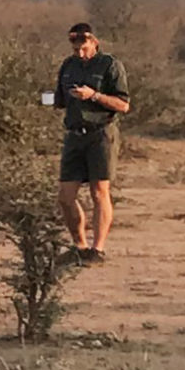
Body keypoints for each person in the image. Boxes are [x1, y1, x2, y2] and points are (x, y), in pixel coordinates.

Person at [53, 21, 131, 258]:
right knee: (66, 196)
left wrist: (94, 95)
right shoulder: (68, 66)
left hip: (101, 134)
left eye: (83, 47)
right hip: (74, 135)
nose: (79, 52)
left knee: (99, 192)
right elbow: (60, 100)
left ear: (94, 42)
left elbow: (124, 105)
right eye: (75, 48)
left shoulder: (110, 65)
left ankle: (97, 249)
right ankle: (79, 246)